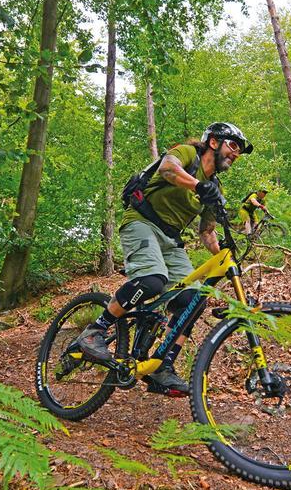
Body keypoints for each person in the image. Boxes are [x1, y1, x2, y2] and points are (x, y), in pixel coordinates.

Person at [73, 122, 254, 396]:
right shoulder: (187, 155)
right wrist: (197, 184)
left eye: (239, 150)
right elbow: (167, 170)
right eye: (233, 145)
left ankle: (162, 366)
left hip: (171, 239)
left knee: (192, 301)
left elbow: (207, 232)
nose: (236, 154)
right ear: (214, 142)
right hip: (142, 221)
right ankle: (95, 331)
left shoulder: (214, 187)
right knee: (152, 280)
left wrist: (225, 257)